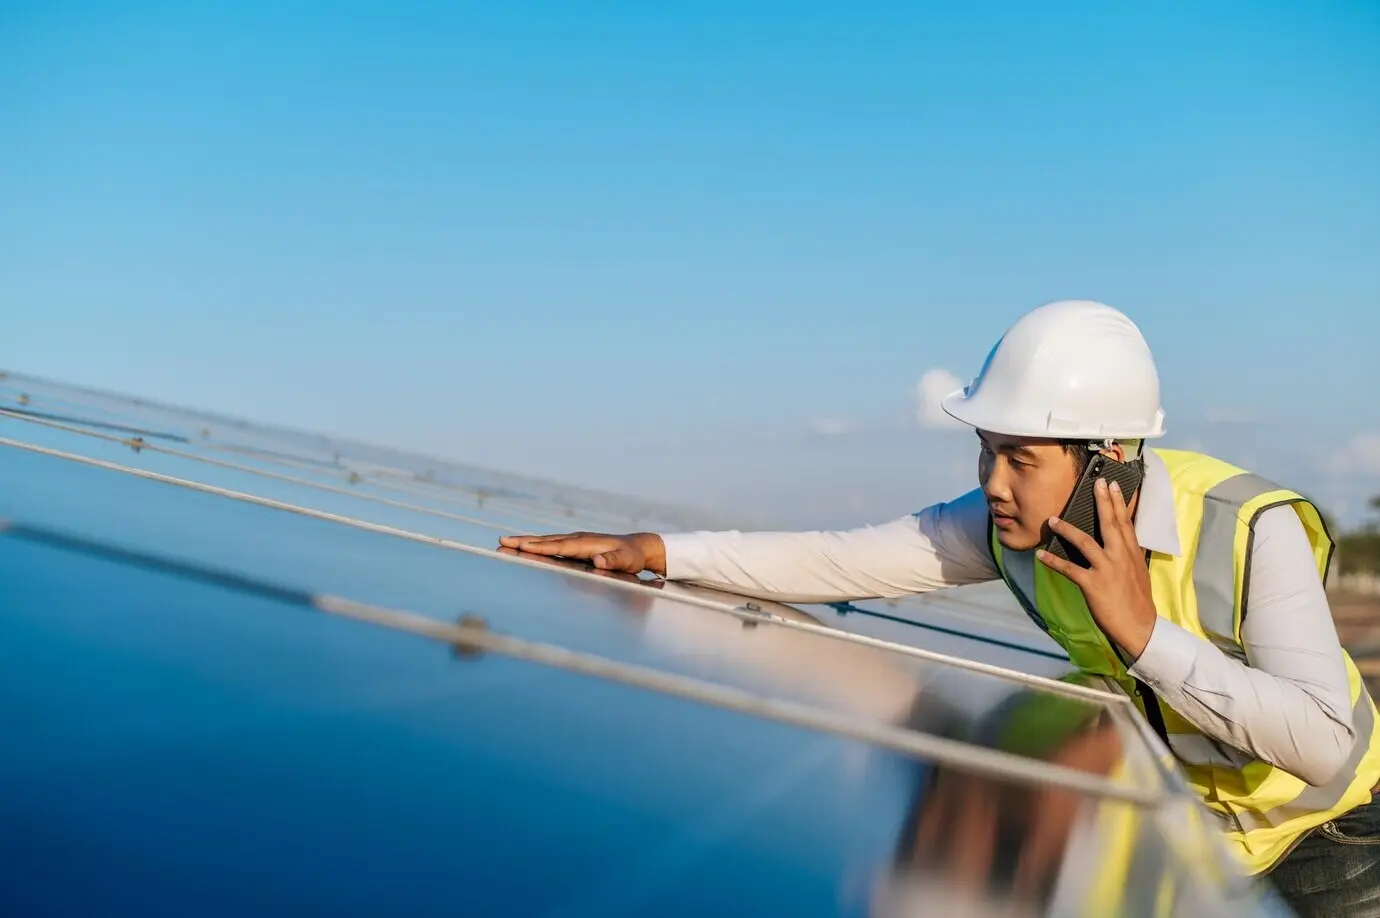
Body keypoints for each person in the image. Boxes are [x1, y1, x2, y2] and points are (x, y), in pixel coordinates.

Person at [500, 299, 1380, 917]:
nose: (992, 484)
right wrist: (660, 553)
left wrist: (1144, 635)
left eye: (1020, 458)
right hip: (1190, 845)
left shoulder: (1247, 530)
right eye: (986, 451)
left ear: (1110, 456)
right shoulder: (1005, 528)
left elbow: (1321, 743)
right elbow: (840, 558)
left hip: (1328, 844)